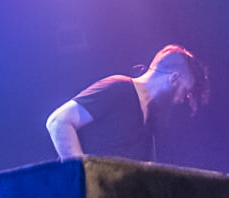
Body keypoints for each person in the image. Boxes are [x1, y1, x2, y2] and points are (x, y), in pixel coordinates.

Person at [45, 45, 209, 161]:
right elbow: (58, 121)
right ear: (173, 79)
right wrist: (80, 174)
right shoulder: (119, 88)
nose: (181, 100)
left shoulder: (150, 122)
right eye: (185, 92)